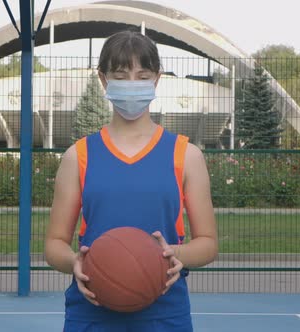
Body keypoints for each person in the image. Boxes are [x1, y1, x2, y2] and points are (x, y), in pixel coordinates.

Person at [45, 30, 218, 332]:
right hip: (92, 311)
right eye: (121, 75)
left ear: (157, 79)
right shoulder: (79, 155)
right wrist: (75, 261)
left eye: (143, 75)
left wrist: (172, 254)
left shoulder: (186, 155)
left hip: (164, 312)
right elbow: (54, 244)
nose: (132, 84)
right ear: (103, 79)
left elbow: (208, 244)